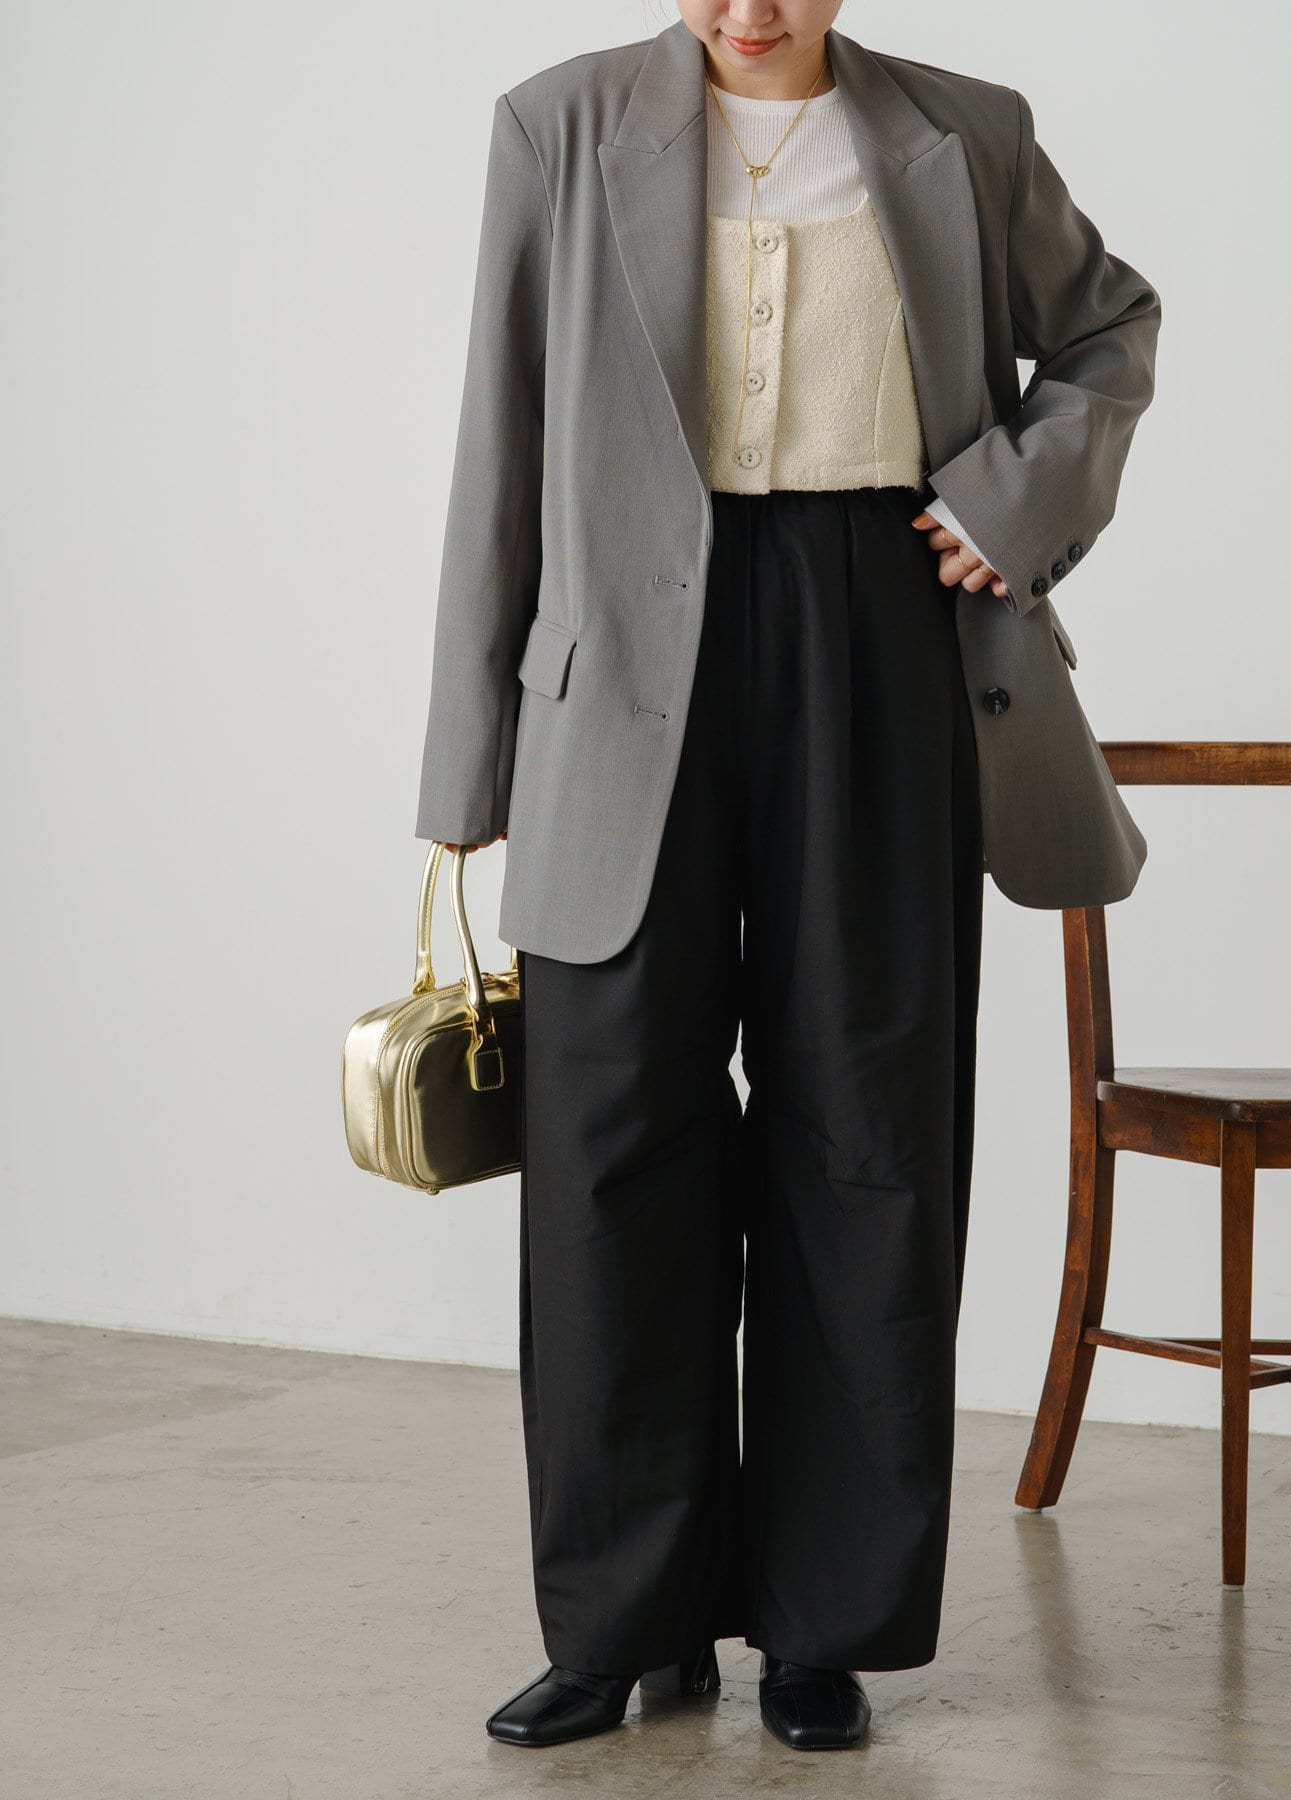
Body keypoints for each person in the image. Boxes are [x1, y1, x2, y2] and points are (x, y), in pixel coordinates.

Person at [414, 0, 1160, 1755]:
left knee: (866, 1123)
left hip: (878, 637)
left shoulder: (967, 131)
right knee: (609, 1141)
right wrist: (467, 758)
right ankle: (626, 1621)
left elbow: (1110, 329)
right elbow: (501, 433)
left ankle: (824, 1625)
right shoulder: (556, 127)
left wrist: (1012, 502)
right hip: (618, 681)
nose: (749, 7)